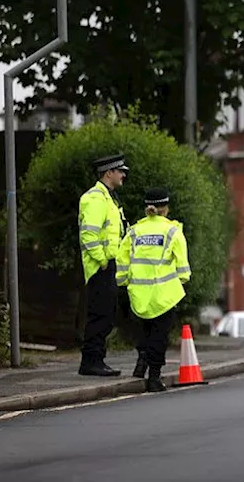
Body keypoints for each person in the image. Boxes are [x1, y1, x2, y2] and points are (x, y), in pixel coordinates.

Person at [115, 187, 190, 392]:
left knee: (143, 332)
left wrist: (123, 281)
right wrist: (180, 280)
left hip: (139, 294)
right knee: (159, 336)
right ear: (165, 208)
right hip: (164, 296)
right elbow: (183, 269)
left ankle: (141, 362)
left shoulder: (134, 231)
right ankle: (154, 377)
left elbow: (122, 259)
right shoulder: (172, 231)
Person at [76, 153, 129, 377]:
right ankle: (91, 362)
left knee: (107, 314)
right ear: (109, 173)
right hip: (100, 267)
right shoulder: (95, 199)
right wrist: (102, 260)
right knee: (100, 315)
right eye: (120, 171)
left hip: (108, 265)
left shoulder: (109, 198)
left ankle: (97, 359)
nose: (124, 175)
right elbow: (89, 235)